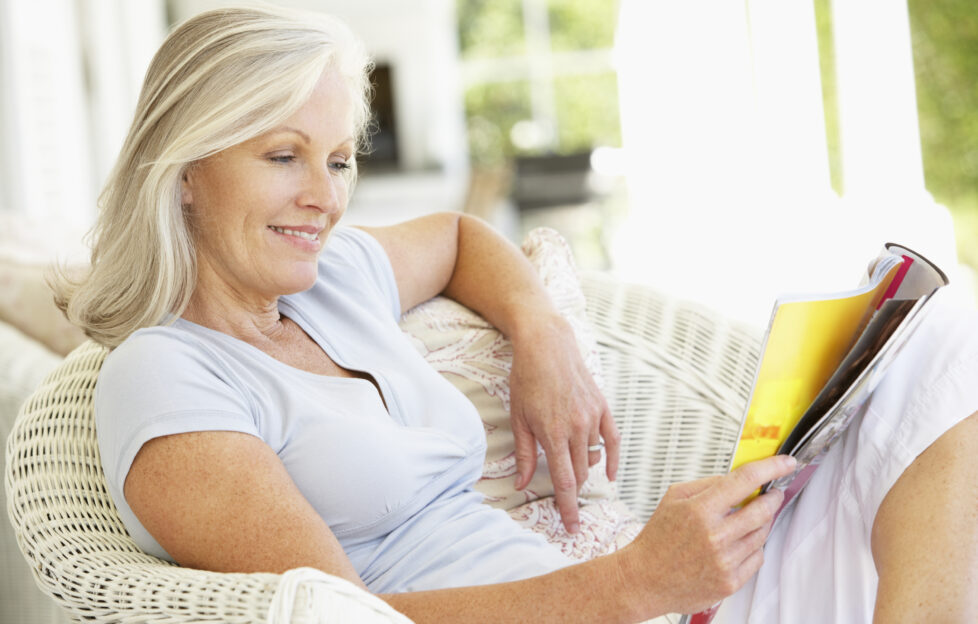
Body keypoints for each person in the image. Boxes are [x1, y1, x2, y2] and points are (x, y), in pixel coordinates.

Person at [51, 5, 977, 623]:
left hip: (643, 602)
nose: (324, 199)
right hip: (614, 602)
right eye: (283, 155)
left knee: (945, 338)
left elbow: (458, 236)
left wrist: (542, 335)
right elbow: (346, 620)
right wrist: (636, 580)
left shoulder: (334, 282)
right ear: (184, 173)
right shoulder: (167, 376)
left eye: (338, 160)